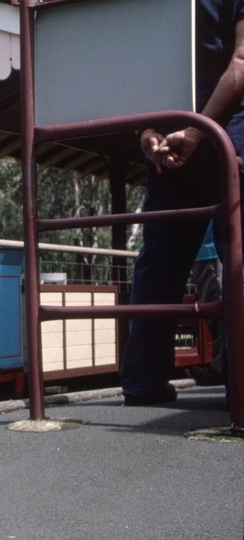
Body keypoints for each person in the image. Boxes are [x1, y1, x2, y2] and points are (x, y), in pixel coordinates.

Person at [121, 1, 244, 406]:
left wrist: (150, 131)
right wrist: (191, 132)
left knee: (159, 260)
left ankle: (142, 381)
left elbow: (140, 69)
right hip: (225, 132)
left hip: (172, 138)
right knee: (237, 255)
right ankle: (240, 387)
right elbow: (240, 62)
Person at [189, 224, 225, 386]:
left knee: (219, 310)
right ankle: (223, 365)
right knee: (216, 311)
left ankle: (223, 366)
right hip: (209, 248)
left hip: (210, 250)